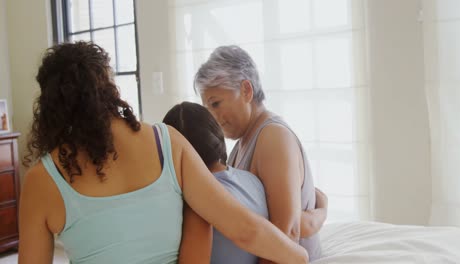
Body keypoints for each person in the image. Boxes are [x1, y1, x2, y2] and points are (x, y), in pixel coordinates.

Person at [18, 41, 309, 264]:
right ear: (109, 88)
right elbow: (244, 228)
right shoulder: (167, 141)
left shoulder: (41, 180)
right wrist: (300, 256)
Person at [194, 45, 326, 262]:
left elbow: (287, 234)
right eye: (207, 108)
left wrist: (318, 216)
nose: (212, 117)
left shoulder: (274, 137)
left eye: (216, 104)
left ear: (246, 90)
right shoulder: (240, 145)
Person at [163, 101, 328, 264]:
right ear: (215, 137)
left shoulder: (192, 202)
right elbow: (294, 224)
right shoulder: (254, 182)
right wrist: (321, 212)